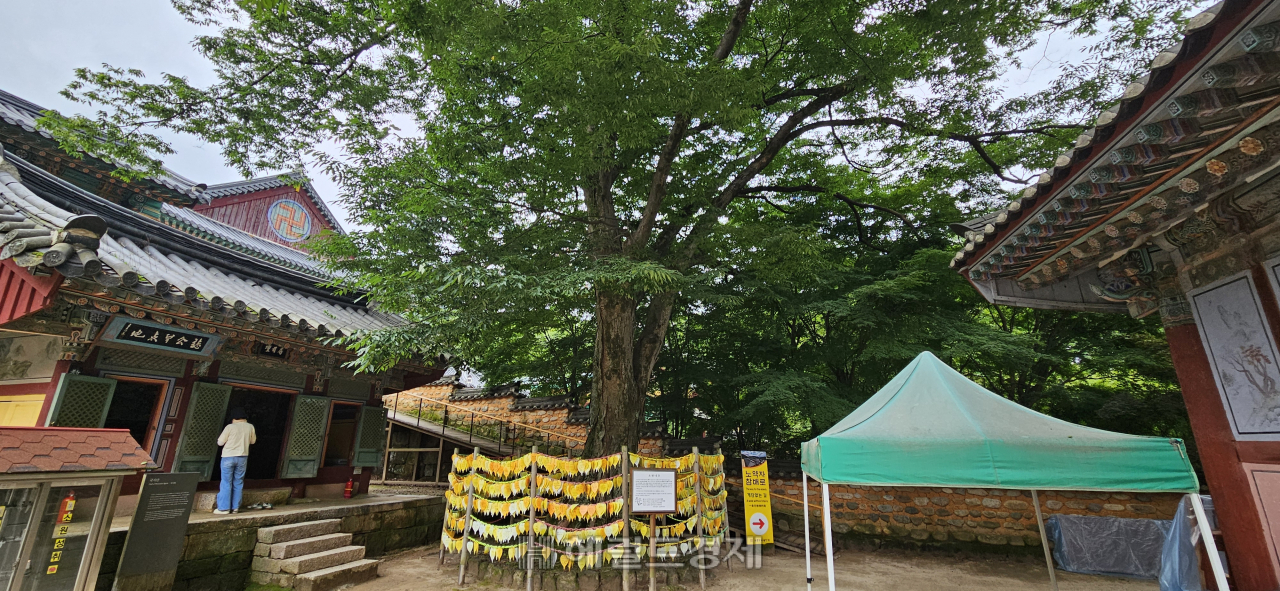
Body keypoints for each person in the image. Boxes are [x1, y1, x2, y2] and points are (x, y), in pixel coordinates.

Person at [214, 408, 256, 514]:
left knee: (226, 482)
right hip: (242, 457)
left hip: (228, 456)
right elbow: (253, 441)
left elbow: (220, 442)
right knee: (238, 482)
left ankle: (223, 508)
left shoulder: (230, 427)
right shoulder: (250, 426)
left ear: (233, 418)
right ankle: (235, 507)